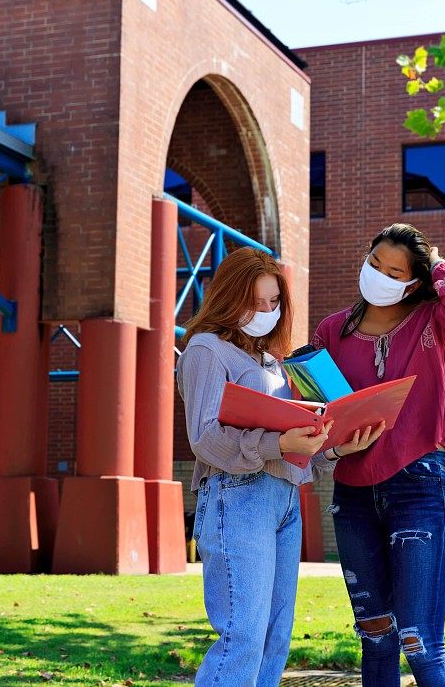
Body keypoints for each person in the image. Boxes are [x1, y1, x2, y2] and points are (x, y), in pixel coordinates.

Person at [176, 247, 383, 687]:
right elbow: (206, 438)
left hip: (285, 498)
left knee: (274, 637)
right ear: (230, 297)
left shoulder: (272, 362)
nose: (267, 311)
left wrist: (334, 448)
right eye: (257, 301)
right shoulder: (206, 350)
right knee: (243, 636)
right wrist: (277, 441)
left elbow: (293, 445)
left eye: (274, 302)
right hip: (238, 496)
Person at [312, 223, 445, 687]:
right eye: (375, 264)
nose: (380, 275)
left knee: (421, 642)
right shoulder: (332, 329)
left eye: (395, 271)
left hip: (419, 485)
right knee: (376, 637)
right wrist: (332, 443)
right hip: (352, 494)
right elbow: (318, 410)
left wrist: (436, 265)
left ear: (414, 281)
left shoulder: (432, 320)